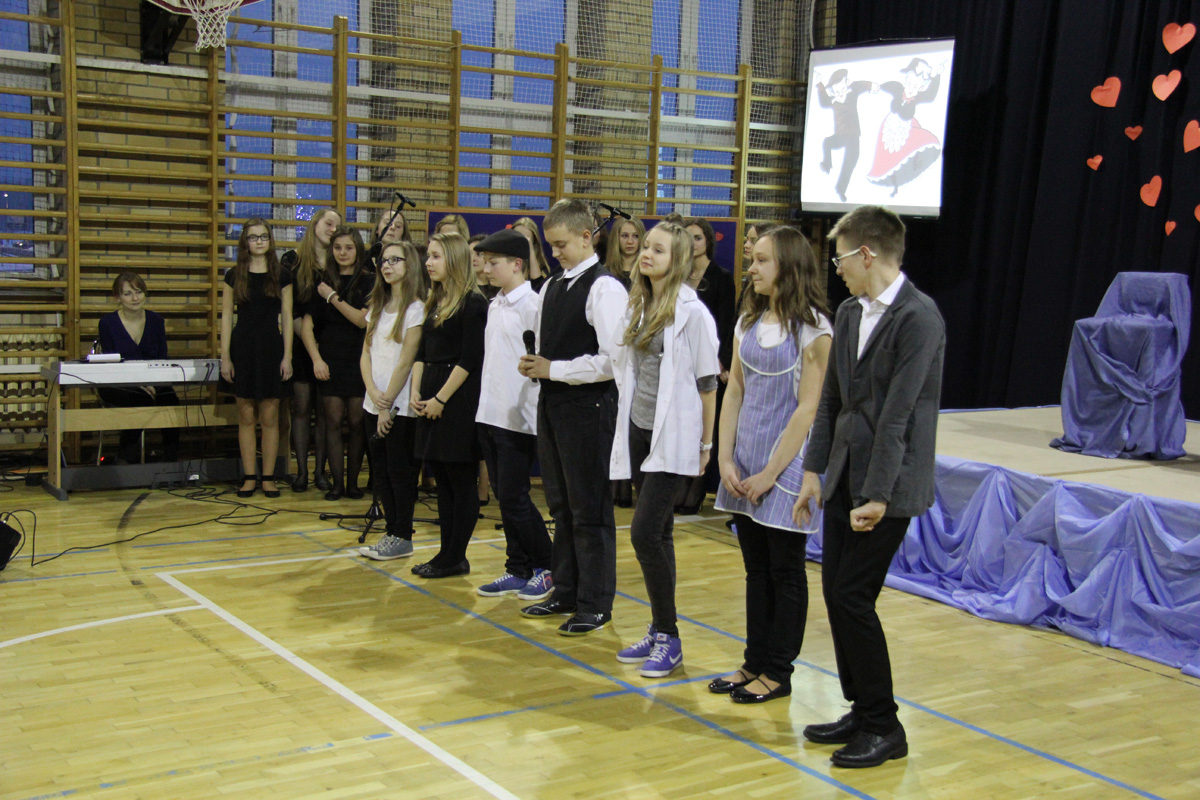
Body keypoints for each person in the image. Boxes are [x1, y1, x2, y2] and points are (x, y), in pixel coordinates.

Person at [795, 205, 944, 769]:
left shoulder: (919, 318)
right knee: (838, 596)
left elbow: (899, 415)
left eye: (839, 259)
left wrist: (877, 494)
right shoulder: (851, 313)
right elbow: (833, 400)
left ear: (866, 254)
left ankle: (885, 725)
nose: (835, 270)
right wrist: (814, 472)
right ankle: (861, 709)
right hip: (845, 475)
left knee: (854, 597)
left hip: (889, 483)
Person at [711, 225, 832, 705]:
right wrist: (725, 456)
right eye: (752, 259)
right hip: (746, 460)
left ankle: (779, 671)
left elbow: (808, 408)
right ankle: (753, 661)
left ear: (789, 266)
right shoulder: (747, 322)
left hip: (787, 465)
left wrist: (770, 474)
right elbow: (735, 392)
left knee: (785, 570)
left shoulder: (814, 329)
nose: (752, 268)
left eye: (762, 260)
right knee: (755, 569)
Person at [610, 222, 719, 678]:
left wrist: (706, 445)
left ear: (677, 261)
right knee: (661, 534)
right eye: (646, 247)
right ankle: (659, 629)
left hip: (673, 435)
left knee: (643, 534)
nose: (646, 254)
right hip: (639, 430)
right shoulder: (639, 303)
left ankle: (669, 636)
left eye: (658, 249)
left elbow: (708, 384)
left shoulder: (693, 313)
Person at [517, 198, 628, 636]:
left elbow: (613, 361)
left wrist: (555, 369)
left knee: (589, 510)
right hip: (554, 405)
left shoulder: (605, 288)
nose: (555, 252)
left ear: (587, 237)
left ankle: (595, 603)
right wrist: (538, 366)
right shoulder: (552, 286)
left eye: (561, 244)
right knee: (561, 505)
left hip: (589, 409)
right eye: (550, 245)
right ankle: (565, 590)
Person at [471, 229, 554, 601]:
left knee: (515, 496)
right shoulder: (496, 304)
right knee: (504, 498)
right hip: (491, 411)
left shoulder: (533, 306)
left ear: (517, 264)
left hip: (518, 416)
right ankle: (517, 567)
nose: (486, 269)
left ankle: (548, 565)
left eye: (494, 263)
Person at [409, 231, 488, 578]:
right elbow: (422, 353)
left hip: (457, 399)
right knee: (441, 478)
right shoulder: (435, 301)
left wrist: (441, 398)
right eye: (429, 255)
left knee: (459, 479)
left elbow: (470, 359)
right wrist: (416, 391)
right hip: (430, 394)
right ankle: (446, 553)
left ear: (454, 260)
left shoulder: (474, 304)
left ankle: (456, 556)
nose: (428, 262)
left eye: (436, 256)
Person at [358, 240, 427, 561]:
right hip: (373, 402)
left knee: (401, 473)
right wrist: (372, 392)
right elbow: (366, 354)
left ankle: (403, 534)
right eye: (384, 261)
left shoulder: (416, 309)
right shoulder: (377, 306)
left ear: (409, 265)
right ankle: (391, 532)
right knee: (381, 472)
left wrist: (386, 405)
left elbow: (406, 361)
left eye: (394, 260)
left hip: (399, 407)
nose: (386, 265)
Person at [220, 219, 294, 498]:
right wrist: (225, 357)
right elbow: (226, 317)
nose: (259, 242)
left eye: (264, 237)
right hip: (242, 348)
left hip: (271, 348)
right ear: (245, 242)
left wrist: (287, 356)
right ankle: (250, 476)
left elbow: (287, 317)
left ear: (270, 241)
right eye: (254, 237)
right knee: (246, 416)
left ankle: (269, 477)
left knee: (270, 416)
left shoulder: (282, 275)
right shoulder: (234, 275)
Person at [302, 225, 374, 500]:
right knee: (332, 422)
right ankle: (337, 484)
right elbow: (307, 326)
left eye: (349, 247)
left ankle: (353, 483)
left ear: (358, 250)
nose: (343, 253)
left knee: (357, 424)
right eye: (337, 247)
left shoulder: (369, 281)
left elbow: (361, 320)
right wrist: (316, 359)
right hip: (330, 358)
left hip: (359, 358)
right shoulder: (322, 281)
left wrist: (332, 297)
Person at [676, 216, 736, 514]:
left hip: (710, 363)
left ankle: (697, 489)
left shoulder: (721, 277)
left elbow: (725, 323)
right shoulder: (677, 275)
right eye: (688, 238)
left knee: (704, 426)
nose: (693, 243)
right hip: (681, 363)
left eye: (698, 237)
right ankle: (680, 486)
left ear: (708, 241)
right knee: (685, 426)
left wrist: (721, 363)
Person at [280, 207, 340, 492]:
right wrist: (308, 343)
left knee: (326, 412)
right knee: (301, 408)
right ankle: (301, 472)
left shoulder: (337, 262)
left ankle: (320, 472)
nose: (332, 229)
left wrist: (320, 345)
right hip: (300, 341)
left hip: (329, 344)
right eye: (328, 223)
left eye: (337, 226)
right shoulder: (292, 260)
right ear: (315, 223)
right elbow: (288, 310)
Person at [96, 272, 180, 464]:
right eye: (128, 294)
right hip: (117, 383)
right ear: (117, 297)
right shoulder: (107, 324)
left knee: (170, 400)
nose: (135, 298)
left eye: (139, 292)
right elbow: (111, 363)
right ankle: (125, 458)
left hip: (153, 380)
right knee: (141, 399)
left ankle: (171, 461)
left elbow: (162, 358)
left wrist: (151, 383)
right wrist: (139, 384)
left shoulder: (156, 321)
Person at [814, 69, 875, 202]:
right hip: (841, 135)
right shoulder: (833, 99)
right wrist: (819, 84)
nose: (845, 84)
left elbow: (859, 85)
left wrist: (871, 85)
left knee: (851, 161)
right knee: (828, 142)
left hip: (853, 136)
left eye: (846, 81)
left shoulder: (851, 93)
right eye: (842, 82)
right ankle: (827, 164)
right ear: (835, 85)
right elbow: (824, 101)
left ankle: (840, 188)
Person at [511, 216, 554, 291]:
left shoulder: (541, 267)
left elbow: (538, 286)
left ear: (534, 242)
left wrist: (530, 247)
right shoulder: (504, 261)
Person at [604, 217, 645, 289]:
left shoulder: (647, 272)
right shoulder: (605, 273)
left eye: (636, 236)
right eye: (625, 236)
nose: (630, 241)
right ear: (616, 238)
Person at [469, 232, 500, 301]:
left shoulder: (500, 288)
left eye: (479, 254)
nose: (473, 258)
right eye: (470, 254)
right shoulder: (464, 289)